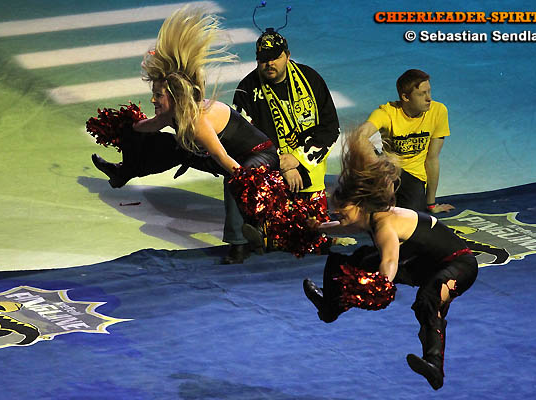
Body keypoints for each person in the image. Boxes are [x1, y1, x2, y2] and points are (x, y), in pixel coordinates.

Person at [92, 7, 279, 264]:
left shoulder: (196, 121)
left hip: (258, 155)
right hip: (222, 155)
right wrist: (124, 129)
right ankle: (123, 172)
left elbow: (223, 158)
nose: (153, 99)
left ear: (174, 97)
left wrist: (250, 185)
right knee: (167, 145)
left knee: (233, 180)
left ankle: (240, 243)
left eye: (158, 95)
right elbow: (146, 127)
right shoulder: (169, 115)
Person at [302, 130, 478, 390]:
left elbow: (390, 261)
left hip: (458, 265)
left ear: (360, 204)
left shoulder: (384, 224)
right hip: (422, 264)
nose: (337, 212)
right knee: (355, 260)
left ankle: (434, 367)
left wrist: (379, 285)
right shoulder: (367, 216)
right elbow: (345, 226)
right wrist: (318, 228)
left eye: (342, 208)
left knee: (429, 299)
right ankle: (330, 307)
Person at [232, 29, 341, 252]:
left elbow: (331, 128)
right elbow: (242, 139)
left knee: (315, 242)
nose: (269, 63)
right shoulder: (246, 90)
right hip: (270, 173)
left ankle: (264, 229)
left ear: (288, 55)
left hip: (309, 171)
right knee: (278, 241)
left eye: (275, 57)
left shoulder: (310, 79)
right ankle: (259, 228)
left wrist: (297, 159)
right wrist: (281, 164)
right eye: (263, 59)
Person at [355, 69, 454, 213]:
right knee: (374, 212)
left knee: (412, 215)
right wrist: (379, 168)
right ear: (406, 97)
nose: (429, 98)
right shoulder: (387, 113)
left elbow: (432, 159)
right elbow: (359, 136)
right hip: (388, 170)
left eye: (429, 91)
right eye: (422, 94)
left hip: (414, 176)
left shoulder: (438, 112)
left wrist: (431, 204)